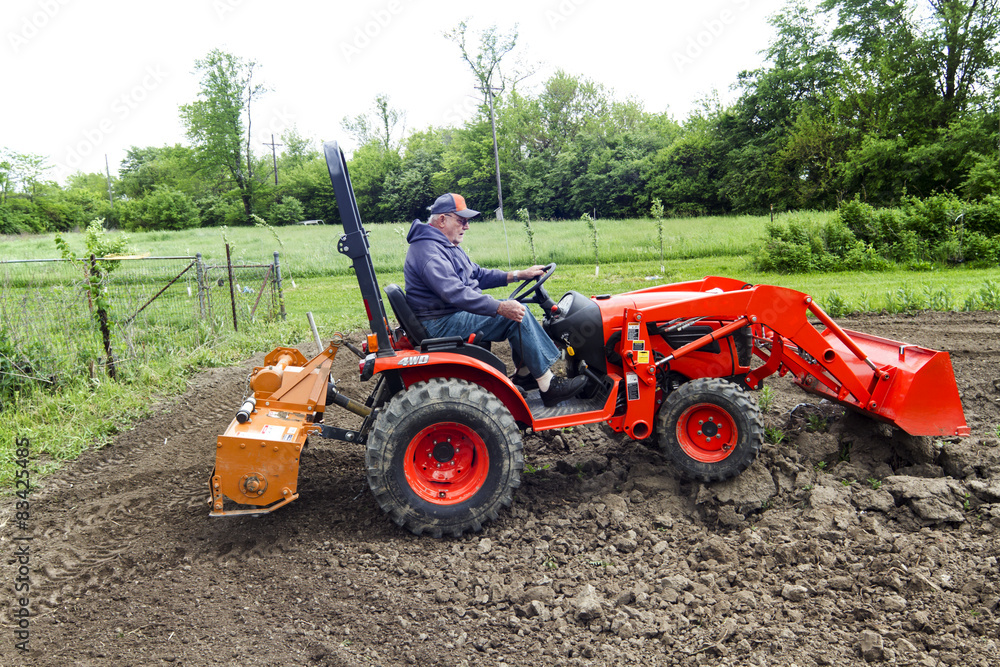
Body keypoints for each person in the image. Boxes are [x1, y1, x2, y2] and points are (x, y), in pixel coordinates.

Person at [403, 193, 587, 407]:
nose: (467, 226)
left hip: (448, 314)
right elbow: (455, 293)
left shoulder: (445, 244)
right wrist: (499, 307)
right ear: (442, 220)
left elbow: (476, 274)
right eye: (462, 220)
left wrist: (518, 274)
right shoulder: (429, 251)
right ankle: (549, 387)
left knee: (516, 310)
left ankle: (526, 374)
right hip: (440, 323)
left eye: (467, 221)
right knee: (515, 315)